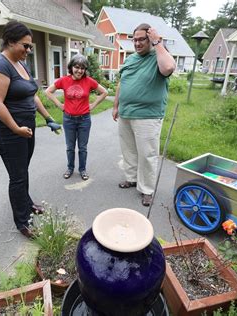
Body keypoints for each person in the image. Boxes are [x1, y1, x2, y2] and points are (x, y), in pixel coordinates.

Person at [0, 21, 60, 239]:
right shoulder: (0, 65)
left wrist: (48, 118)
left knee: (22, 169)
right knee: (17, 176)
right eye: (25, 46)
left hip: (24, 127)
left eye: (30, 47)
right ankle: (22, 222)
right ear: (10, 42)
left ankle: (26, 203)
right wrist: (16, 128)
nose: (28, 50)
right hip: (6, 130)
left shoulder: (20, 63)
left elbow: (32, 94)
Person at [112, 23, 176, 207]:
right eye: (135, 40)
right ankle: (131, 178)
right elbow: (122, 83)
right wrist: (116, 106)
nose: (138, 43)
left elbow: (168, 68)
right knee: (129, 151)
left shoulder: (158, 55)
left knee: (147, 154)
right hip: (126, 113)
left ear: (150, 39)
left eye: (142, 39)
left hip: (148, 116)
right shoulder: (131, 59)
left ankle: (147, 189)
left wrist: (157, 42)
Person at [45, 55, 107, 180]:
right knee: (70, 147)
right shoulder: (64, 80)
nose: (79, 71)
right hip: (68, 119)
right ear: (71, 67)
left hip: (84, 119)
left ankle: (82, 169)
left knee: (82, 147)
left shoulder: (89, 81)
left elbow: (104, 92)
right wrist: (60, 105)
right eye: (77, 67)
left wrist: (93, 105)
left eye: (82, 68)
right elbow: (48, 91)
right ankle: (70, 168)